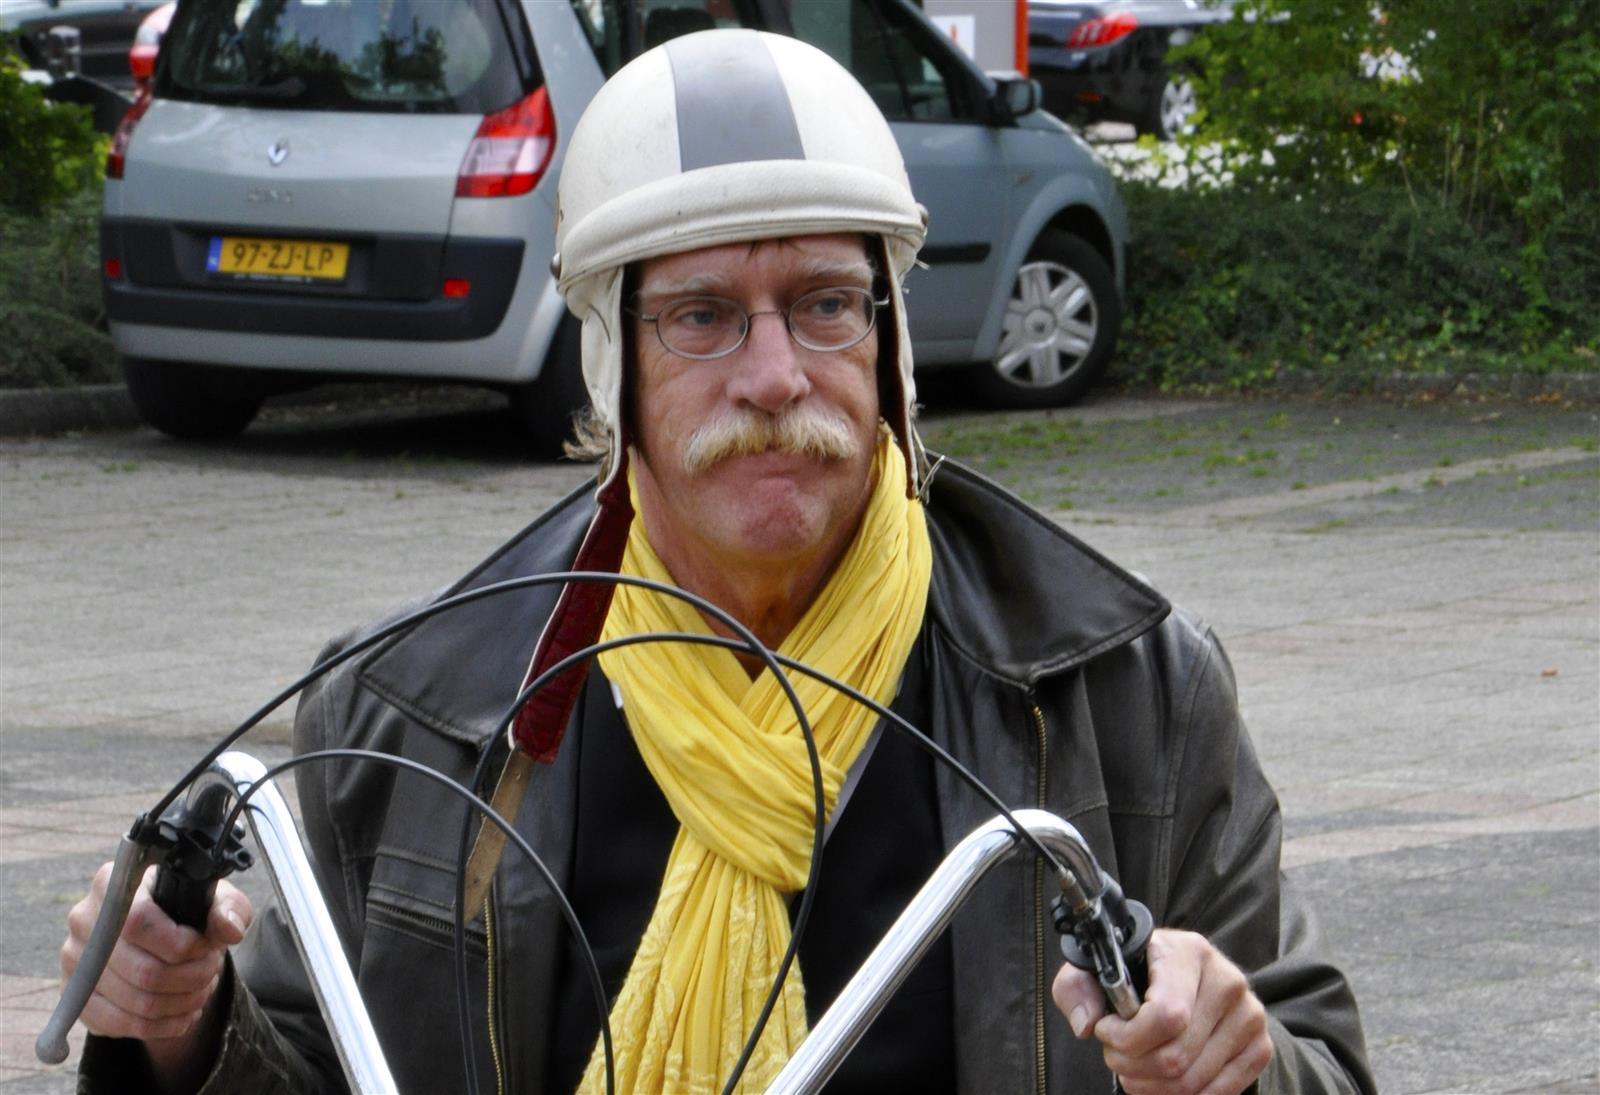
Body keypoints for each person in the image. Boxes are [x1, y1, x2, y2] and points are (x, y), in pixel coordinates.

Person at [61, 29, 1373, 1095]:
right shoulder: (412, 713)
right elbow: (318, 1065)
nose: (776, 375)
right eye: (701, 316)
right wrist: (181, 1024)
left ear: (890, 347)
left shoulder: (1128, 691)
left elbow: (1318, 1060)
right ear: (611, 366)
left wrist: (1235, 1067)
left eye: (825, 304)